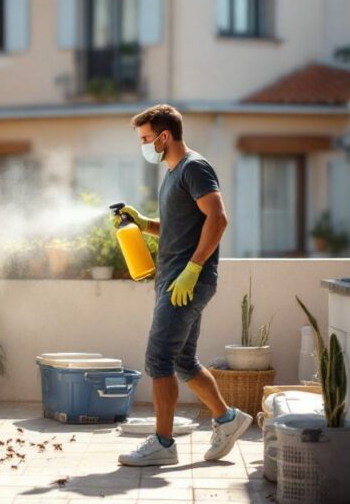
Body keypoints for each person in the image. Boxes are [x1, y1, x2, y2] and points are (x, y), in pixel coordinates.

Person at [116, 104, 252, 467]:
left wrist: (193, 268)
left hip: (187, 280)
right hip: (174, 280)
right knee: (182, 361)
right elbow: (179, 226)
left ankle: (163, 444)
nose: (143, 145)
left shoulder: (194, 167)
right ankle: (227, 419)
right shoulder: (173, 172)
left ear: (164, 136)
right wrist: (144, 223)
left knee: (158, 358)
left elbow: (218, 218)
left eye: (146, 138)